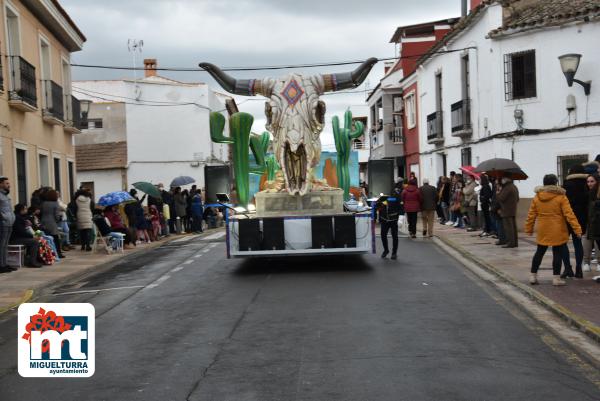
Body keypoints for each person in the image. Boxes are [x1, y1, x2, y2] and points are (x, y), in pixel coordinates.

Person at [525, 174, 581, 286]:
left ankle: (533, 276)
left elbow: (531, 215)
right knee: (558, 253)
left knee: (539, 252)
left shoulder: (537, 197)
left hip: (543, 228)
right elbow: (569, 214)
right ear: (555, 183)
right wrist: (577, 229)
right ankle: (556, 279)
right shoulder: (561, 197)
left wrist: (529, 228)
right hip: (557, 228)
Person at [563, 165, 589, 277]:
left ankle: (568, 268)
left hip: (567, 217)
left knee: (563, 243)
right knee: (578, 243)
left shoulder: (566, 184)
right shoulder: (587, 184)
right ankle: (579, 269)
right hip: (582, 217)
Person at [378, 186, 402, 259]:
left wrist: (400, 217)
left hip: (393, 220)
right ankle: (386, 250)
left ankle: (394, 253)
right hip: (384, 219)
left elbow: (400, 207)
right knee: (383, 235)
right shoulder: (382, 196)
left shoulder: (396, 196)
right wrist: (378, 204)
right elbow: (378, 205)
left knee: (395, 236)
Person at [40, 189, 66, 258]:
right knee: (56, 238)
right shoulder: (55, 203)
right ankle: (58, 253)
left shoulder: (44, 203)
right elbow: (56, 215)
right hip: (52, 223)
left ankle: (47, 253)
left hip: (43, 222)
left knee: (46, 239)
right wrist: (59, 219)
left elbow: (41, 212)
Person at [497, 176, 519, 248]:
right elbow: (517, 199)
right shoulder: (514, 186)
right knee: (513, 227)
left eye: (503, 178)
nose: (502, 180)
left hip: (506, 210)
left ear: (507, 179)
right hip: (512, 209)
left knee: (508, 227)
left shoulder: (507, 187)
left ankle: (510, 243)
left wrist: (498, 192)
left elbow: (501, 198)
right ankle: (514, 242)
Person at [584, 174, 600, 273]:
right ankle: (586, 263)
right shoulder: (586, 193)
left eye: (592, 181)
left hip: (597, 222)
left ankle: (599, 263)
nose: (589, 183)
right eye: (588, 181)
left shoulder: (598, 193)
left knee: (597, 242)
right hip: (588, 222)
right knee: (586, 241)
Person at [0, 177, 15, 273]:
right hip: (3, 223)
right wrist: (3, 218)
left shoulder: (6, 195)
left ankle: (5, 264)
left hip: (9, 223)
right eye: (6, 183)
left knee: (5, 245)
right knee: (2, 245)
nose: (8, 185)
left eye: (8, 183)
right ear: (0, 184)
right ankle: (1, 265)